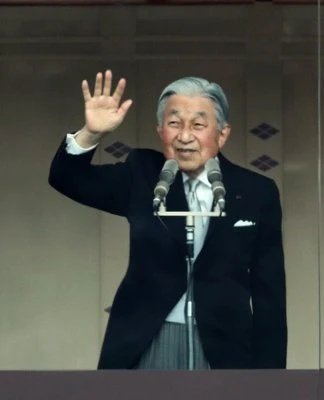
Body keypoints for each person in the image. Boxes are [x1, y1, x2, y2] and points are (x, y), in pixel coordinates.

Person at [48, 70, 287, 370]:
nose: (185, 136)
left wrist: (273, 379)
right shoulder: (143, 175)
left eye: (199, 125)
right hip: (148, 339)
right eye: (174, 123)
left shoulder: (256, 192)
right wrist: (91, 132)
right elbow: (66, 179)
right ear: (161, 130)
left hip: (224, 345)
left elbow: (270, 294)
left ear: (222, 133)